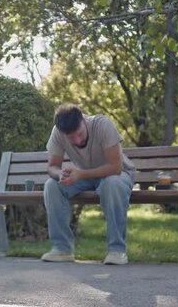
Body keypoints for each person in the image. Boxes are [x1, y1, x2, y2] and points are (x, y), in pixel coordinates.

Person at [41, 103, 135, 265]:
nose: (77, 140)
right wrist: (60, 174)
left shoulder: (102, 125)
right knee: (52, 185)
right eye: (71, 138)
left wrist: (81, 174)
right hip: (84, 175)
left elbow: (115, 167)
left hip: (117, 175)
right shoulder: (58, 132)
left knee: (111, 184)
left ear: (83, 120)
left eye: (80, 134)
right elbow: (52, 167)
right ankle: (62, 249)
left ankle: (117, 251)